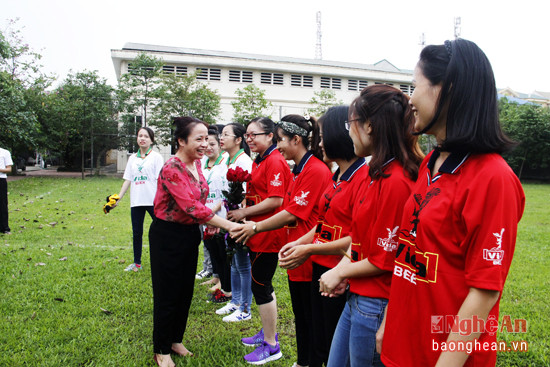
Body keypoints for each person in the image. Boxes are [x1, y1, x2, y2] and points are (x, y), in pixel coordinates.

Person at [378, 39, 525, 367]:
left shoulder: (493, 178)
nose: (410, 98)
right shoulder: (432, 161)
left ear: (450, 90)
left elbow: (485, 291)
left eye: (415, 85)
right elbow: (408, 248)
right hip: (402, 346)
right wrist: (390, 320)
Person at [318, 84, 424, 367]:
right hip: (359, 295)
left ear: (370, 126)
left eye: (349, 123)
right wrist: (344, 271)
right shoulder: (375, 173)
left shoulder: (397, 181)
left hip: (376, 303)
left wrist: (338, 272)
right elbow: (362, 239)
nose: (347, 130)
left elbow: (387, 259)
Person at [232, 115, 332, 366]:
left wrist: (254, 226)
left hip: (308, 253)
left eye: (280, 140)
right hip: (295, 249)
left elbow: (289, 211)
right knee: (301, 313)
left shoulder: (315, 170)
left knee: (309, 315)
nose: (278, 146)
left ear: (296, 140)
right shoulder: (298, 169)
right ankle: (303, 360)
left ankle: (304, 360)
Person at [278, 106, 368, 367]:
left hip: (340, 271)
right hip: (321, 267)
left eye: (322, 135)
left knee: (332, 344)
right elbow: (323, 222)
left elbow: (357, 236)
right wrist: (300, 242)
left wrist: (309, 250)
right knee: (318, 338)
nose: (318, 143)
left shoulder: (363, 177)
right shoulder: (336, 175)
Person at [149, 116, 239, 367]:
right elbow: (190, 206)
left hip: (189, 235)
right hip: (167, 236)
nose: (205, 144)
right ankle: (161, 349)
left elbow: (199, 203)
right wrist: (227, 224)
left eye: (206, 139)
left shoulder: (196, 165)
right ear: (181, 141)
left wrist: (208, 223)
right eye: (198, 139)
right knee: (167, 293)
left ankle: (175, 340)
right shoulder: (172, 167)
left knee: (184, 291)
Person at [226, 117, 291, 365]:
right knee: (261, 284)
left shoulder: (274, 160)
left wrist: (244, 213)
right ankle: (267, 332)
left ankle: (272, 345)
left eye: (255, 134)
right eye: (248, 135)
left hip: (268, 235)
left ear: (270, 135)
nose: (250, 139)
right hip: (257, 232)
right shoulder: (261, 159)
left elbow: (276, 200)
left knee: (260, 285)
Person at [215, 122, 254, 320]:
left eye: (226, 134)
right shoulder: (225, 160)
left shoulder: (244, 161)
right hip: (227, 219)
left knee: (243, 264)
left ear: (238, 140)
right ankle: (235, 301)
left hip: (239, 220)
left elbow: (246, 195)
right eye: (221, 134)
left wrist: (243, 222)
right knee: (233, 262)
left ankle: (245, 308)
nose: (221, 138)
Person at [114, 127, 164, 272]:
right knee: (137, 232)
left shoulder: (156, 157)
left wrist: (161, 200)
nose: (142, 138)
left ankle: (162, 260)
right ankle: (137, 263)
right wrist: (118, 198)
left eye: (146, 136)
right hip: (136, 201)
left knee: (160, 231)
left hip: (153, 201)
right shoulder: (132, 158)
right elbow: (128, 180)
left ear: (151, 140)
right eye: (140, 136)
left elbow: (160, 181)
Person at [200, 127, 232, 304]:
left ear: (219, 145)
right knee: (211, 248)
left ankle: (225, 286)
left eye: (212, 144)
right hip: (205, 216)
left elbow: (226, 194)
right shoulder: (202, 164)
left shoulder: (224, 164)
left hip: (219, 216)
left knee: (222, 252)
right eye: (206, 144)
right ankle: (217, 278)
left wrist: (211, 211)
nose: (209, 147)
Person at [0, 146, 13, 235]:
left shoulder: (5, 152)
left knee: (2, 203)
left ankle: (5, 227)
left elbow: (9, 169)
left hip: (1, 179)